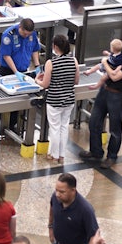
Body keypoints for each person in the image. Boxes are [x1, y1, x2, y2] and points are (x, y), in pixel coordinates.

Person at [79, 26, 122, 169]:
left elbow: (114, 76)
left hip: (117, 94)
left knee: (115, 128)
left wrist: (104, 63)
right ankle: (95, 151)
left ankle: (111, 156)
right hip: (105, 90)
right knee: (94, 121)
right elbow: (115, 65)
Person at [35, 35, 79, 164]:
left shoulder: (51, 63)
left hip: (54, 100)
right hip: (69, 99)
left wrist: (37, 80)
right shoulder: (74, 60)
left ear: (55, 47)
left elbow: (45, 84)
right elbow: (76, 81)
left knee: (54, 128)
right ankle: (61, 155)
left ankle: (54, 155)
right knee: (64, 127)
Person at [48, 173, 99, 244]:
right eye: (56, 190)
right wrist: (50, 229)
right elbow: (52, 210)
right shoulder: (55, 197)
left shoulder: (85, 210)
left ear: (73, 190)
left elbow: (94, 235)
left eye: (62, 192)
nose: (57, 194)